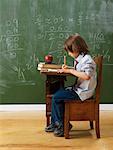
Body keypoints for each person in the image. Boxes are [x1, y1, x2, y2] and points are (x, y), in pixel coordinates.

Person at [45, 33, 97, 137]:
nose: (69, 53)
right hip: (79, 89)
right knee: (58, 94)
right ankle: (56, 123)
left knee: (56, 97)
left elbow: (86, 76)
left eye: (69, 51)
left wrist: (70, 71)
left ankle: (63, 126)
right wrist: (68, 69)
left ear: (76, 49)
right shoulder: (81, 59)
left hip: (83, 92)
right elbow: (79, 71)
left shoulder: (88, 60)